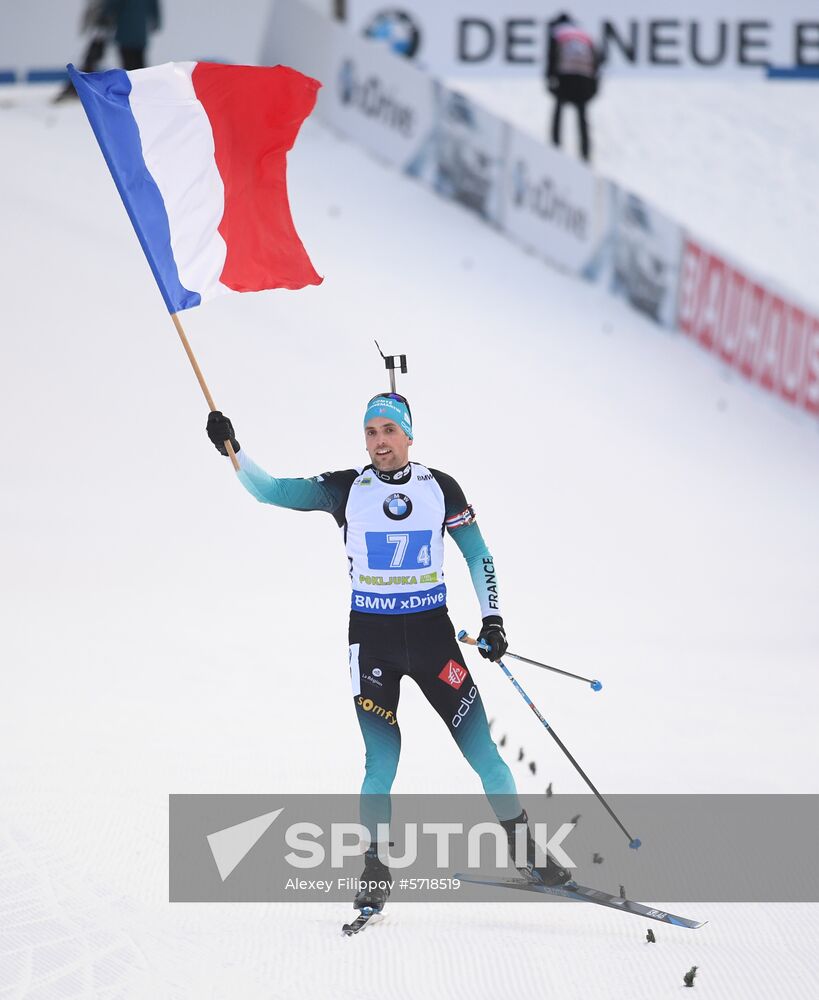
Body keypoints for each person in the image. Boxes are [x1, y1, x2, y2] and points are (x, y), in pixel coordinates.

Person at [206, 394, 570, 912]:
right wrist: (232, 449)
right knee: (379, 763)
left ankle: (526, 851)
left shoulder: (440, 488)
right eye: (370, 432)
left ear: (409, 435)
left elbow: (478, 555)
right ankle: (375, 867)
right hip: (372, 642)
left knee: (483, 752)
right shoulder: (347, 489)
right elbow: (272, 492)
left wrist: (493, 619)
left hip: (433, 640)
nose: (379, 441)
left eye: (388, 430)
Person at [546, 12, 601, 162]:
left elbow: (551, 57)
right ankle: (585, 153)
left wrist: (549, 79)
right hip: (585, 75)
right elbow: (597, 59)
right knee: (582, 114)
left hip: (566, 74)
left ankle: (555, 145)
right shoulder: (585, 35)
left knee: (558, 109)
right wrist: (595, 84)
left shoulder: (558, 33)